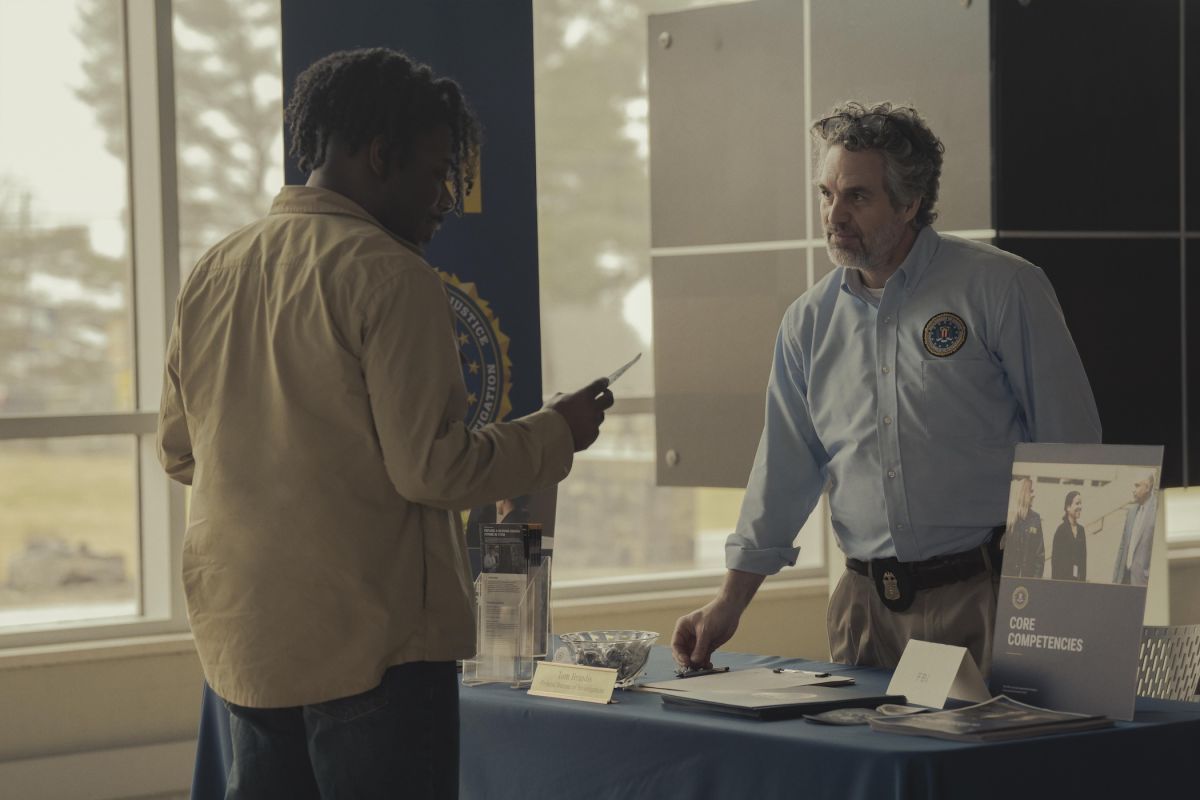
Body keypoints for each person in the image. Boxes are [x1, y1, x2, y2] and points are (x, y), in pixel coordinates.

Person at [156, 48, 614, 799]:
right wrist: (556, 431)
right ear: (378, 157)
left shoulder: (216, 268)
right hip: (371, 647)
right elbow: (433, 471)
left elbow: (180, 454)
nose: (446, 197)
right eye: (437, 172)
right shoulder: (390, 273)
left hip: (248, 639)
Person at [671, 101, 1100, 676]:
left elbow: (1071, 447)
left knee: (998, 768)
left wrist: (1069, 621)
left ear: (910, 202)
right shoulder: (809, 321)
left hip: (988, 600)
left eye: (858, 196)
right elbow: (783, 471)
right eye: (826, 194)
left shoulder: (1003, 288)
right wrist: (729, 602)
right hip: (865, 613)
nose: (834, 214)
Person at [1112, 474, 1157, 586]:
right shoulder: (1131, 511)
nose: (1133, 490)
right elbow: (1122, 547)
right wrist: (1115, 578)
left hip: (1142, 581)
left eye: (1137, 485)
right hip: (1124, 578)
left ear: (1147, 487)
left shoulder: (1157, 510)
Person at [1002, 477, 1045, 579]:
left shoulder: (1036, 518)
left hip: (1028, 579)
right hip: (1008, 577)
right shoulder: (1009, 519)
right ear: (1023, 493)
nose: (1034, 495)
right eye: (1031, 491)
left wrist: (1035, 580)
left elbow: (1039, 556)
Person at [1051, 491, 1088, 581]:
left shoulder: (1081, 530)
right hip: (1063, 583)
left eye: (1081, 504)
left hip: (1078, 584)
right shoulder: (1061, 530)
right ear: (1068, 507)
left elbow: (1083, 561)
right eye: (1077, 503)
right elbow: (1055, 563)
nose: (1080, 507)